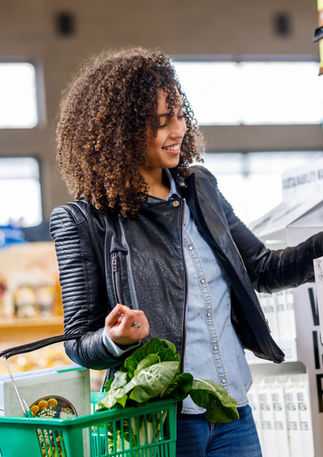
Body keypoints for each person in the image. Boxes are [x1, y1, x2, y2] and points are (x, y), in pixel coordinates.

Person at [50, 48, 323, 457]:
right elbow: (77, 340)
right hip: (158, 424)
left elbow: (264, 269)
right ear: (121, 131)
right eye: (161, 123)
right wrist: (114, 339)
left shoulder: (201, 189)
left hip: (233, 414)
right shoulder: (84, 221)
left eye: (179, 115)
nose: (177, 130)